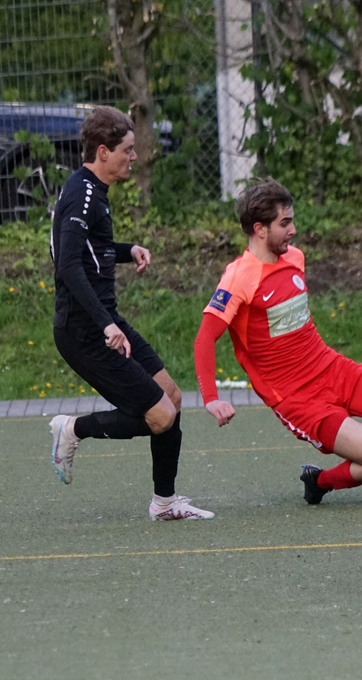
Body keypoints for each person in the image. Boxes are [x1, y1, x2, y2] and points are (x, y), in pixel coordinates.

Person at [193, 179, 362, 503]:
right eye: (284, 223)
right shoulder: (238, 277)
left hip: (333, 369)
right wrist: (211, 398)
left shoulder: (294, 257)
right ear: (259, 229)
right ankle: (320, 482)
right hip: (298, 399)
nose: (293, 230)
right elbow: (204, 339)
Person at [47, 106, 213, 521]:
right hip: (84, 331)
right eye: (127, 149)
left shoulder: (92, 191)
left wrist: (128, 250)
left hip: (104, 321)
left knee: (171, 397)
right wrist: (105, 325)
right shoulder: (83, 194)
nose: (134, 156)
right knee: (161, 415)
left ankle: (164, 503)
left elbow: (90, 251)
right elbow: (67, 264)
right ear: (103, 152)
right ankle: (73, 429)